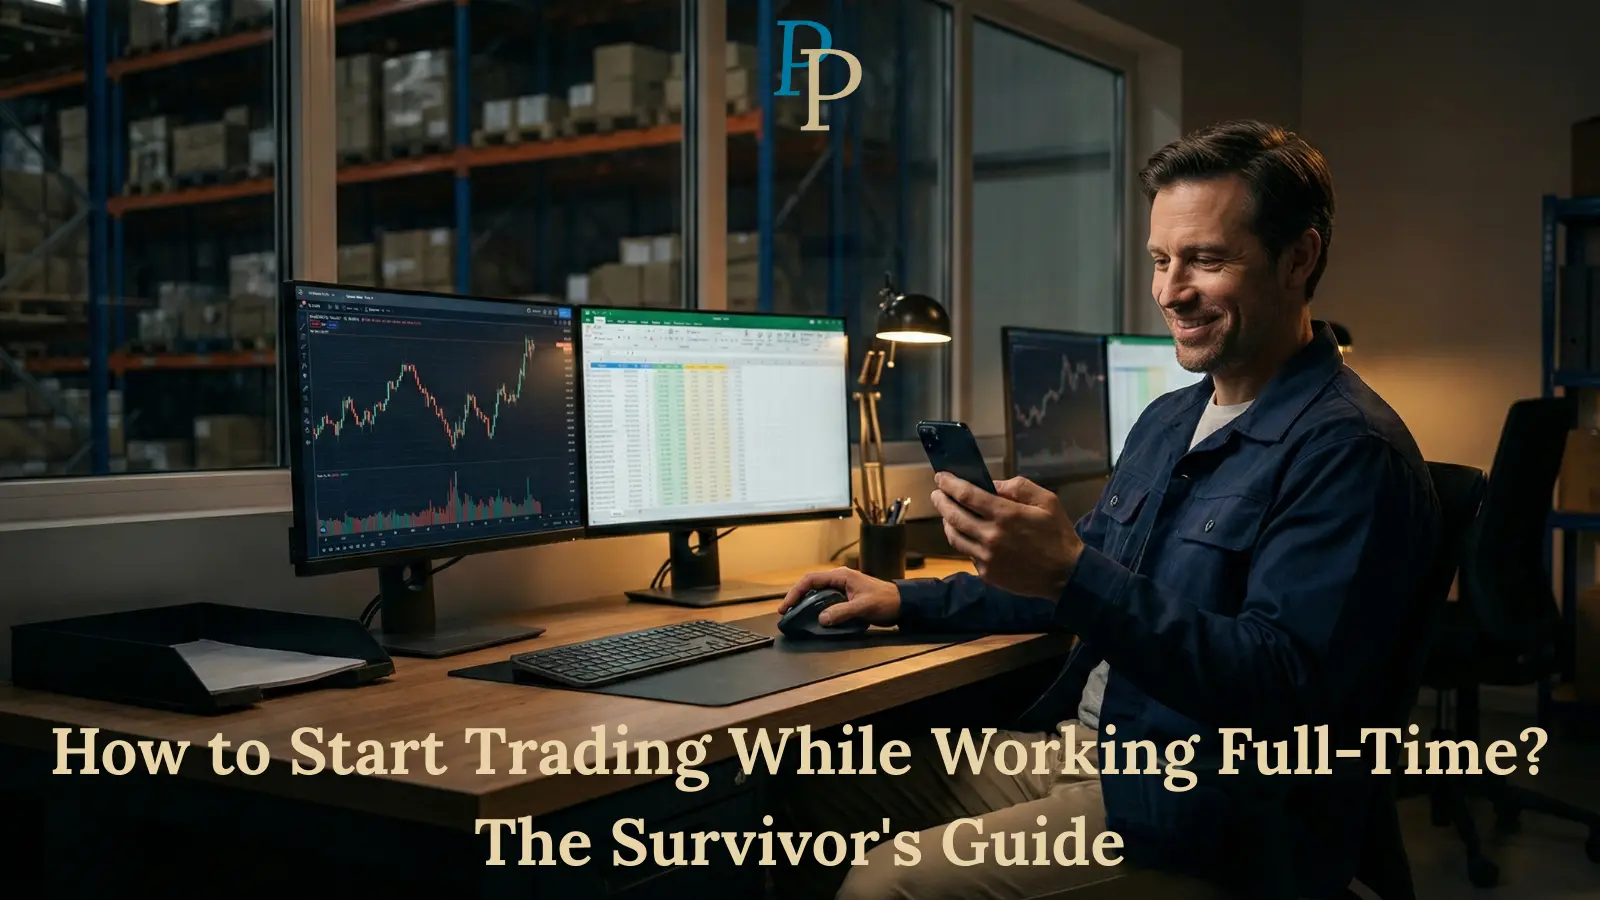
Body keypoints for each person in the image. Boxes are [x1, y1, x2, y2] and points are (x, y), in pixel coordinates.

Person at [775, 120, 1441, 899]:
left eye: (1206, 260)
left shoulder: (1349, 452)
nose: (1168, 291)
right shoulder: (1169, 420)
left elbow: (1283, 689)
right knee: (794, 805)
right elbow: (1073, 577)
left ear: (1300, 257)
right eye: (1161, 260)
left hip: (1211, 813)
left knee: (885, 886)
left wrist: (1072, 572)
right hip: (1090, 747)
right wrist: (901, 599)